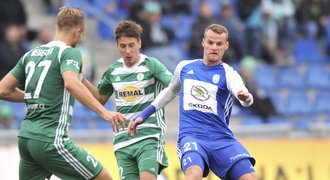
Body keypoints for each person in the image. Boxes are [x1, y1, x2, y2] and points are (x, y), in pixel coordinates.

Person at [0, 6, 126, 180]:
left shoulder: (31, 54)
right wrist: (104, 113)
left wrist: (35, 95)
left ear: (57, 27)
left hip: (26, 138)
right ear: (78, 32)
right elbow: (71, 84)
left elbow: (2, 90)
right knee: (104, 178)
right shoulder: (70, 52)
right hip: (51, 139)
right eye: (81, 35)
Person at [129, 24, 258, 180]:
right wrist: (144, 114)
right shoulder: (184, 67)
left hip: (221, 139)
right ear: (203, 42)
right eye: (210, 42)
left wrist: (246, 98)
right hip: (192, 137)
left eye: (219, 44)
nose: (214, 47)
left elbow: (242, 95)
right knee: (193, 174)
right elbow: (171, 91)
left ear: (226, 45)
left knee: (250, 177)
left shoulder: (229, 73)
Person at [82, 20, 173, 180]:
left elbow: (173, 85)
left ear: (139, 43)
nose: (128, 51)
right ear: (117, 45)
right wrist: (82, 79)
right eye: (123, 46)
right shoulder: (113, 70)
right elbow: (99, 99)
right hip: (123, 141)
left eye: (131, 45)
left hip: (148, 137)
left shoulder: (151, 65)